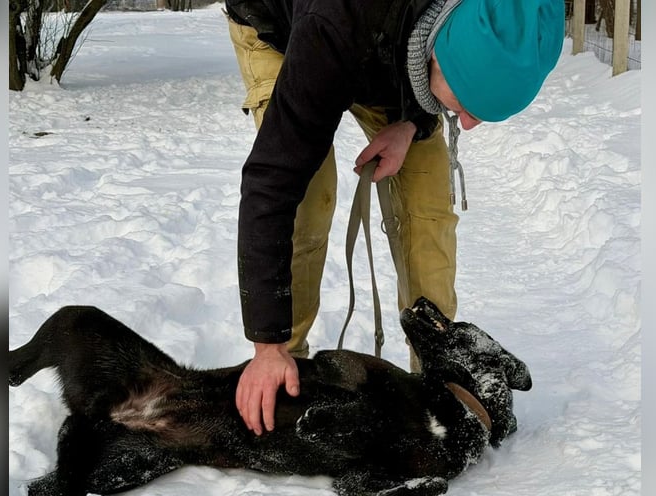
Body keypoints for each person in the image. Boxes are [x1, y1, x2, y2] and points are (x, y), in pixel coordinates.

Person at [224, 0, 564, 435]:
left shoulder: (458, 27)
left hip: (393, 43)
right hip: (281, 26)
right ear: (440, 54)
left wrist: (411, 122)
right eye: (467, 105)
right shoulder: (336, 23)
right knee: (310, 197)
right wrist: (267, 344)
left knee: (427, 204)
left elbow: (426, 40)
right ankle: (285, 371)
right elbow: (272, 181)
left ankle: (436, 377)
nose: (469, 123)